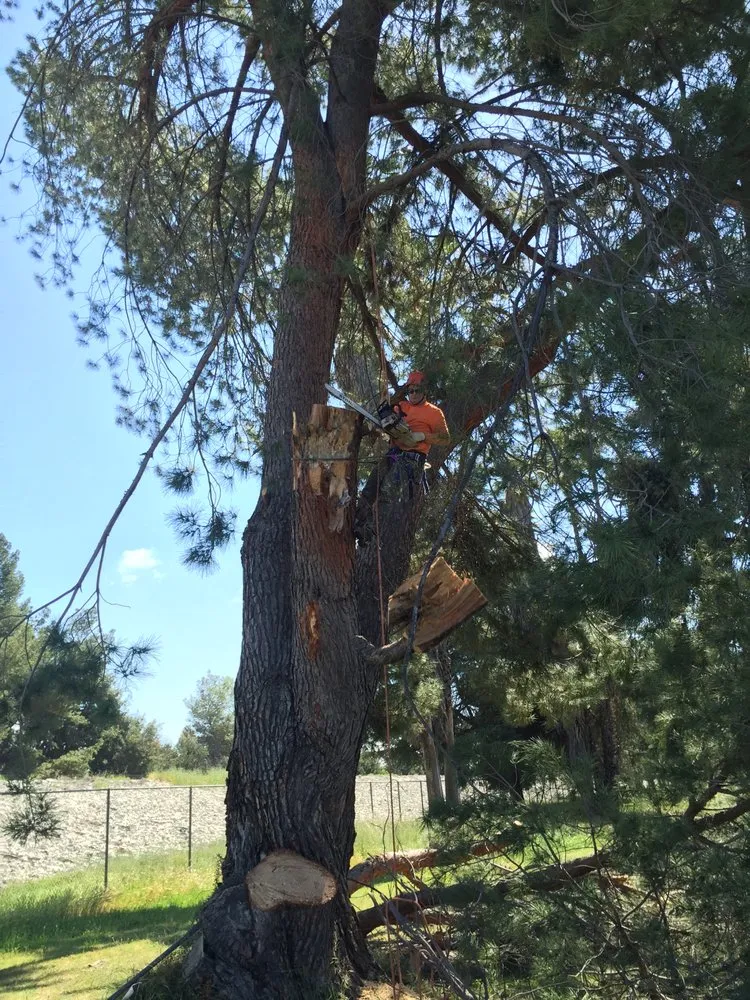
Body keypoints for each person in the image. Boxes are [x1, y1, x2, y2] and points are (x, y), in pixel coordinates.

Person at [358, 372, 450, 516]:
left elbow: (445, 438)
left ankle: (375, 531)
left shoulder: (434, 412)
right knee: (372, 485)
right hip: (394, 454)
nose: (413, 394)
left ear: (424, 390)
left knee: (388, 494)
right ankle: (359, 518)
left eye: (416, 390)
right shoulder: (401, 406)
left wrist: (422, 436)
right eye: (410, 391)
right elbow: (388, 421)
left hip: (413, 459)